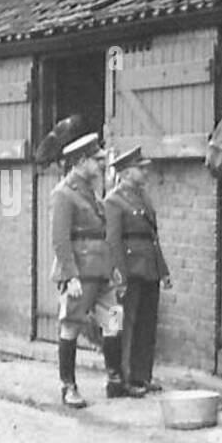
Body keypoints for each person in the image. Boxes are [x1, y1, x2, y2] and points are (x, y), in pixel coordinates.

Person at [50, 132, 143, 407]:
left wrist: (112, 267)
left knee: (114, 319)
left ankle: (115, 380)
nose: (101, 162)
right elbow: (60, 238)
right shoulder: (64, 194)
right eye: (95, 159)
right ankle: (68, 387)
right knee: (70, 326)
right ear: (80, 162)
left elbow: (103, 233)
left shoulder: (91, 190)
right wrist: (70, 276)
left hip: (102, 272)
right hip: (80, 273)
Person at [104, 145, 172, 393]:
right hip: (129, 270)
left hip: (148, 269)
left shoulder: (144, 197)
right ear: (125, 173)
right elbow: (112, 241)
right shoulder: (113, 201)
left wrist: (162, 270)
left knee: (146, 324)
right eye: (139, 168)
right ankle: (123, 379)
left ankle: (142, 376)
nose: (144, 172)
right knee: (124, 324)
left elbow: (153, 237)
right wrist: (118, 276)